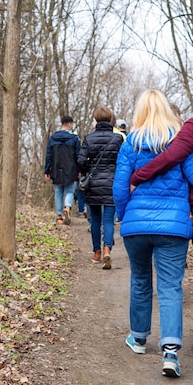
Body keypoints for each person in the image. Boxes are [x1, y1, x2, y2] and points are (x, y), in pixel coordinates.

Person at [113, 89, 193, 378]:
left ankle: (139, 338)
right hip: (174, 228)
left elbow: (120, 188)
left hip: (136, 227)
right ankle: (170, 353)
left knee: (141, 279)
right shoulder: (180, 141)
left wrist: (124, 216)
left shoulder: (130, 144)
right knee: (170, 286)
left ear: (141, 111)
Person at [77, 106, 124, 269]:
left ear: (95, 119)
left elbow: (81, 161)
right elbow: (123, 161)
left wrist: (86, 171)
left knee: (95, 220)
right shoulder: (118, 139)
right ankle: (107, 250)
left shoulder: (89, 138)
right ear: (110, 119)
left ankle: (96, 253)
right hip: (112, 183)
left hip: (94, 184)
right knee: (109, 220)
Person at [44, 115, 81, 225]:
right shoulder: (74, 139)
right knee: (69, 191)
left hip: (56, 168)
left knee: (58, 192)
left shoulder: (53, 138)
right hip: (70, 169)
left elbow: (49, 155)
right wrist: (79, 170)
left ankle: (59, 216)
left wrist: (47, 170)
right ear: (69, 124)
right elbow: (78, 156)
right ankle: (68, 207)